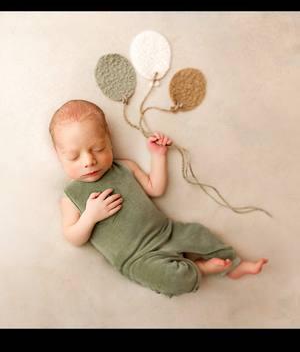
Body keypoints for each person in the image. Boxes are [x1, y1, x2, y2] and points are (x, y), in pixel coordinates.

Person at [49, 99, 268, 297]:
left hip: (166, 231)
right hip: (136, 259)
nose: (88, 161)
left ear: (110, 141)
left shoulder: (124, 167)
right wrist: (90, 217)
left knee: (199, 233)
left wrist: (158, 156)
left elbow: (156, 188)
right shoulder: (72, 196)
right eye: (73, 156)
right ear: (59, 155)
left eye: (98, 148)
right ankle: (200, 268)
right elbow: (72, 237)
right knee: (173, 279)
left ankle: (234, 265)